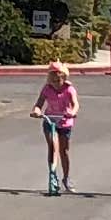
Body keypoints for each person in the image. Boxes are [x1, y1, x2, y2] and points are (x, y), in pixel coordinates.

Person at [35, 60, 77, 195]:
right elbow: (39, 103)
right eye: (52, 78)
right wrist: (36, 111)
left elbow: (75, 104)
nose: (55, 82)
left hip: (64, 122)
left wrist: (72, 112)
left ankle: (66, 177)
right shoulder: (47, 88)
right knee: (53, 148)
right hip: (50, 121)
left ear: (63, 77)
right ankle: (53, 176)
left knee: (63, 151)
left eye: (58, 79)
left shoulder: (69, 89)